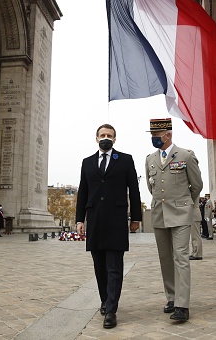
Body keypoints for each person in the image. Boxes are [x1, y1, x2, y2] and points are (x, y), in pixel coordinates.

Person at [76, 124, 142, 329]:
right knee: (99, 266)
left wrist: (136, 218)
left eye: (109, 135)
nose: (106, 138)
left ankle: (111, 310)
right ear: (96, 139)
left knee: (114, 267)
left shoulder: (125, 160)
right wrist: (79, 220)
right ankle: (105, 299)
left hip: (116, 220)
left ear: (115, 139)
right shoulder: (86, 163)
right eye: (102, 135)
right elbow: (83, 192)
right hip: (95, 219)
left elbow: (134, 190)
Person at [145, 118, 202, 322]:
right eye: (151, 135)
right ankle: (171, 297)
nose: (153, 139)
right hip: (159, 214)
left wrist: (186, 204)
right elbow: (151, 187)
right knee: (165, 258)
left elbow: (196, 185)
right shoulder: (150, 159)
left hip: (180, 214)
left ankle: (182, 305)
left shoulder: (186, 155)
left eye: (156, 135)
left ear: (168, 134)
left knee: (181, 257)